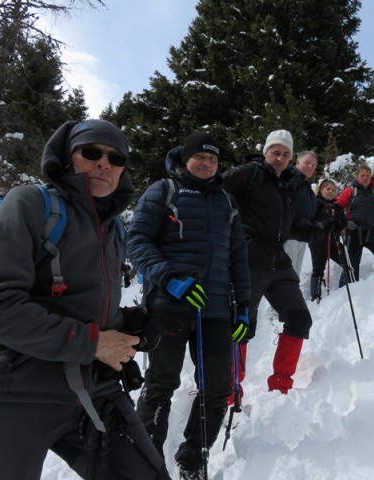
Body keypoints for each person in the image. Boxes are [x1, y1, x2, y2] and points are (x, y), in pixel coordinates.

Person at [0, 119, 169, 479]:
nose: (105, 163)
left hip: (96, 390)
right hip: (22, 391)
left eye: (116, 159)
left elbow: (79, 303)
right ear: (69, 158)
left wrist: (128, 323)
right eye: (92, 152)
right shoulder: (30, 205)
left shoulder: (113, 226)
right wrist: (94, 342)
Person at [126, 132, 250, 479]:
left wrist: (243, 306)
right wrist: (171, 278)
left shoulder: (226, 202)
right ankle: (144, 463)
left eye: (213, 159)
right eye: (200, 157)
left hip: (214, 310)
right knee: (161, 383)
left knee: (219, 388)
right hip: (169, 304)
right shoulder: (164, 191)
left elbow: (238, 256)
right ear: (186, 160)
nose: (207, 163)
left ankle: (192, 459)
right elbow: (136, 241)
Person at [222, 129, 338, 395]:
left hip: (278, 261)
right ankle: (230, 390)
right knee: (241, 325)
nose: (280, 158)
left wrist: (324, 226)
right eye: (276, 152)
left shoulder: (285, 184)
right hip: (248, 260)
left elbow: (293, 227)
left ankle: (281, 385)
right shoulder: (248, 174)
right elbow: (213, 190)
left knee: (300, 319)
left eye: (286, 154)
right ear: (266, 152)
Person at [336, 165, 374, 282]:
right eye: (362, 175)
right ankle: (352, 285)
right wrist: (346, 223)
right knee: (352, 261)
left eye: (368, 175)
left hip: (371, 230)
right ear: (357, 177)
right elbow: (337, 207)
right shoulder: (350, 191)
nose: (365, 178)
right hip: (353, 231)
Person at [308, 179, 347, 302]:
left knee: (348, 262)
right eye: (328, 189)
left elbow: (342, 225)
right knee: (318, 268)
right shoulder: (315, 203)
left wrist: (339, 217)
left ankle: (344, 289)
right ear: (321, 190)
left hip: (334, 239)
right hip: (318, 240)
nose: (331, 191)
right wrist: (326, 222)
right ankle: (316, 296)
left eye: (333, 190)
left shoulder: (336, 205)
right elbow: (310, 221)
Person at [285, 151, 319, 276]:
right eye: (307, 163)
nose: (310, 166)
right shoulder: (291, 177)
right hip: (290, 235)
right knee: (287, 274)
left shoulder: (305, 185)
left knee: (295, 274)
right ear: (297, 162)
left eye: (313, 165)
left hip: (302, 235)